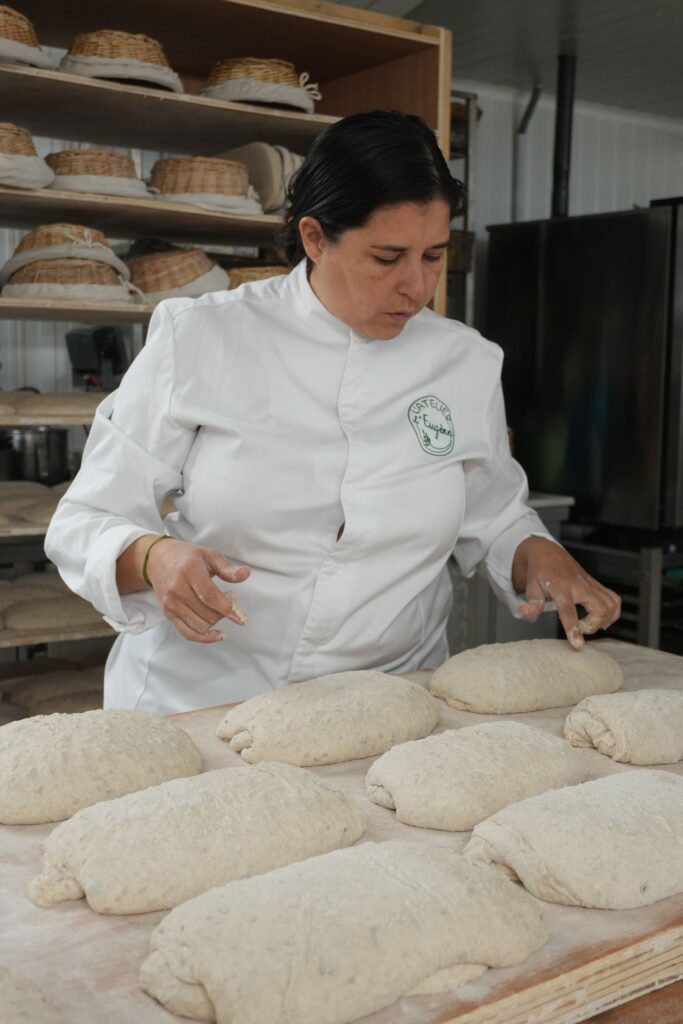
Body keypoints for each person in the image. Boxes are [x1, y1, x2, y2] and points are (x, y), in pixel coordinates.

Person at [45, 110, 621, 715]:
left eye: (433, 255)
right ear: (316, 238)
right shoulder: (204, 336)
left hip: (387, 700)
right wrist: (152, 556)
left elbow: (496, 513)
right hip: (204, 697)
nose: (417, 287)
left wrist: (541, 553)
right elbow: (85, 520)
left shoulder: (465, 362)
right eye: (387, 257)